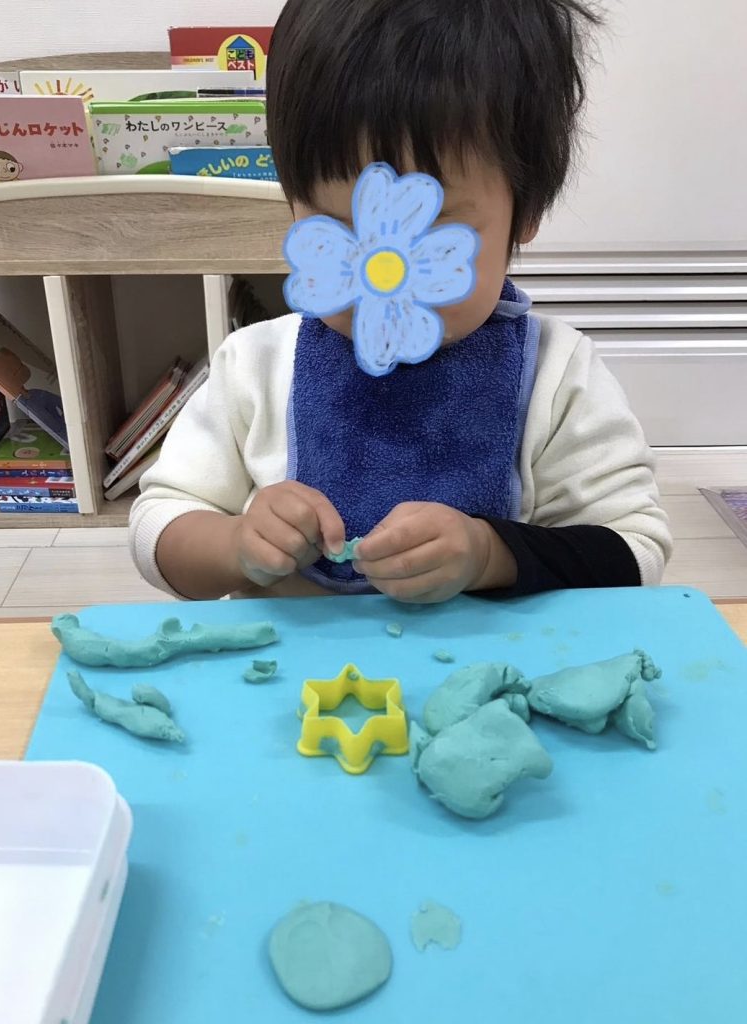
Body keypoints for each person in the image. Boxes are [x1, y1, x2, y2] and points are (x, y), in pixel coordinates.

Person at [130, 0, 671, 603]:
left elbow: (635, 553)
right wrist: (234, 546)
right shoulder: (255, 367)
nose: (380, 274)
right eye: (339, 224)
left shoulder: (555, 377)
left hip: (497, 663)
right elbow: (158, 529)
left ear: (527, 211)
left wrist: (491, 553)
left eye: (429, 230)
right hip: (293, 663)